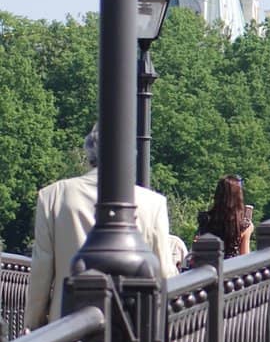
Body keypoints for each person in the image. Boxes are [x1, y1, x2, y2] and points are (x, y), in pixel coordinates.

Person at [25, 124, 176, 329]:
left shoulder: (53, 196)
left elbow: (41, 271)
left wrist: (34, 326)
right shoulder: (153, 203)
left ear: (89, 152)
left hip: (66, 328)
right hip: (134, 327)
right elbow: (165, 273)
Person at [197, 175, 253, 259]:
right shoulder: (244, 225)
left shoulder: (205, 219)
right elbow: (245, 256)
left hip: (208, 267)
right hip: (232, 268)